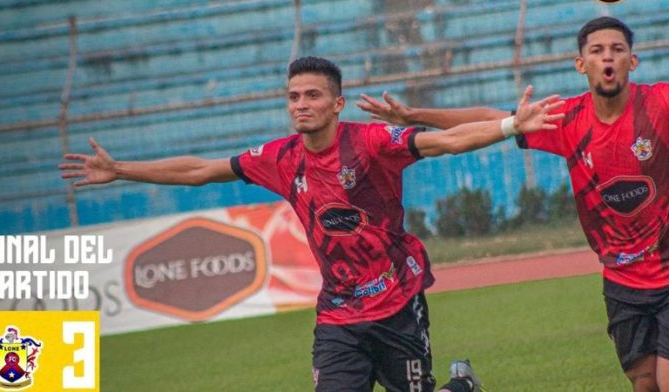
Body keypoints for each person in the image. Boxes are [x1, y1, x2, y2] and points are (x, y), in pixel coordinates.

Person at [60, 56, 561, 392]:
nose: (301, 104)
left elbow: (443, 142)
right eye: (294, 96)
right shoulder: (279, 158)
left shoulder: (371, 143)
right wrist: (121, 169)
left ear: (336, 104)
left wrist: (510, 125)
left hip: (397, 302)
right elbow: (200, 171)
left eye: (312, 95)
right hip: (338, 315)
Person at [357, 16, 669, 392]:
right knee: (644, 382)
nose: (608, 58)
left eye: (618, 50)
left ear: (632, 61)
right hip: (622, 280)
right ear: (580, 63)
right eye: (597, 50)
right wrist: (413, 116)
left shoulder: (659, 105)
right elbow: (494, 119)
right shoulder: (567, 118)